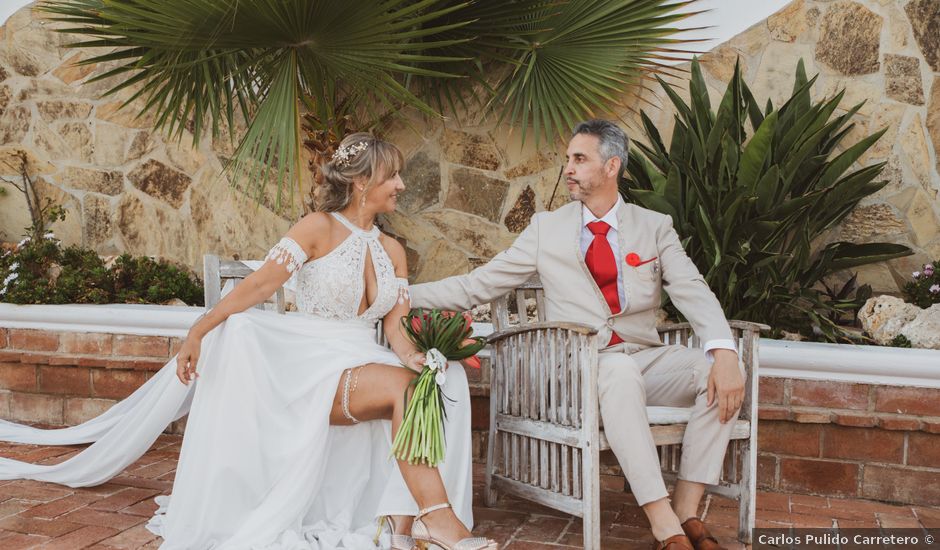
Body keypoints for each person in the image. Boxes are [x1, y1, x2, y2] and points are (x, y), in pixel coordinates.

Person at [0, 133, 496, 550]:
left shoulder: (393, 250)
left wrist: (420, 356)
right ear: (363, 182)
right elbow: (259, 286)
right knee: (405, 391)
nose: (402, 186)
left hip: (364, 356)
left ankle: (403, 520)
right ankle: (437, 519)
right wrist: (199, 328)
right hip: (311, 366)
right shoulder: (317, 228)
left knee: (437, 378)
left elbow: (395, 327)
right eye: (393, 177)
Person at [410, 120, 745, 550]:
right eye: (568, 159)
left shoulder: (654, 226)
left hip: (643, 356)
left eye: (579, 159)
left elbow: (693, 289)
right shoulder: (545, 229)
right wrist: (401, 293)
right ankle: (664, 525)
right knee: (620, 372)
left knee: (717, 374)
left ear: (611, 166)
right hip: (581, 364)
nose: (567, 168)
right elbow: (479, 284)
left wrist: (724, 352)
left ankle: (686, 509)